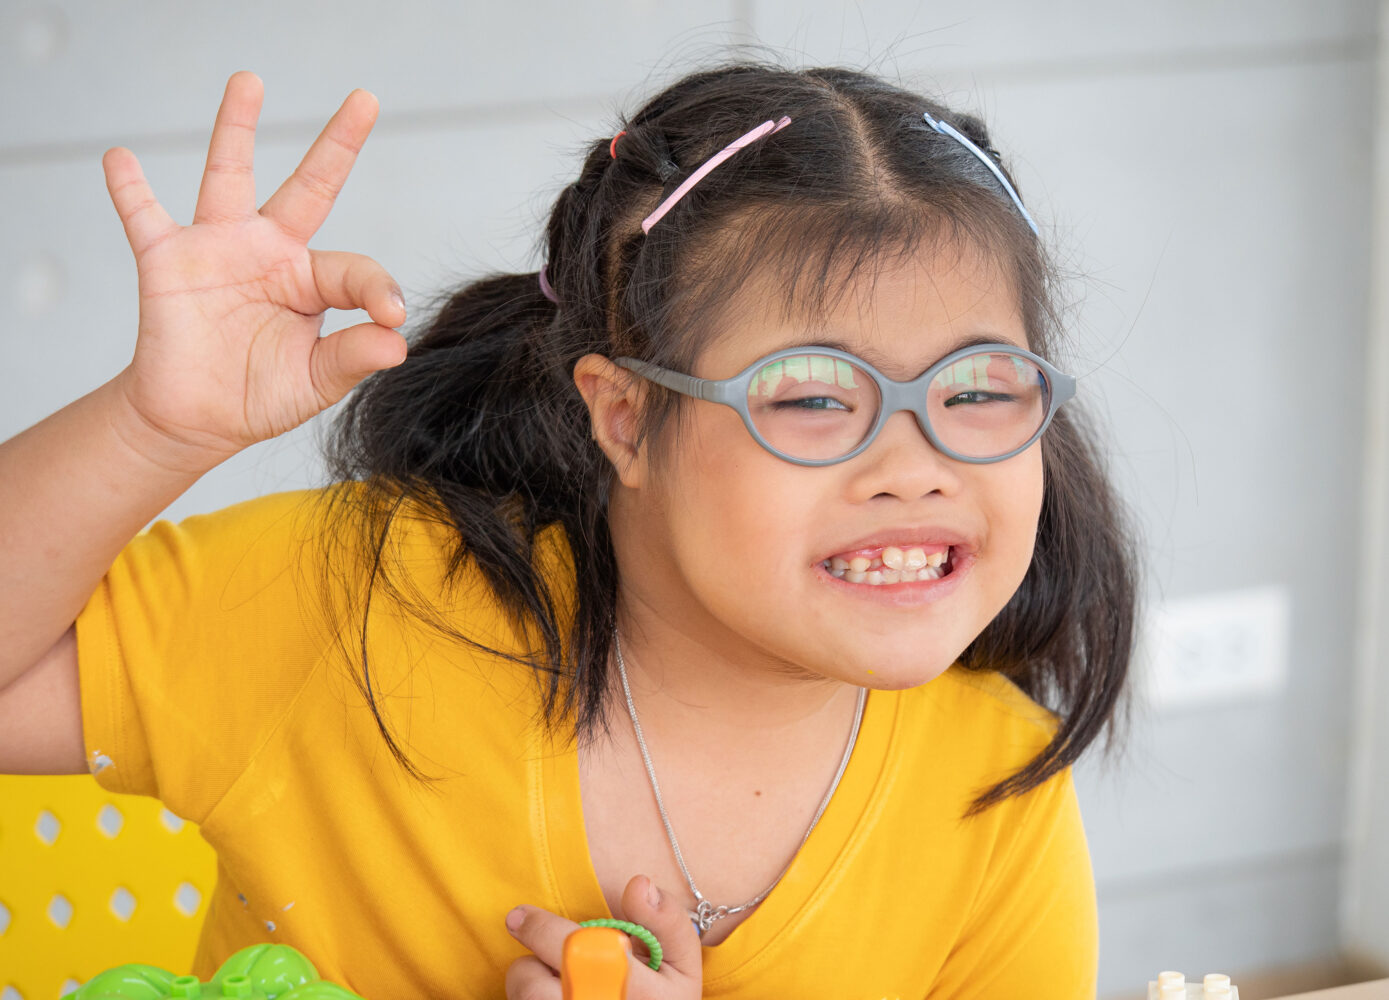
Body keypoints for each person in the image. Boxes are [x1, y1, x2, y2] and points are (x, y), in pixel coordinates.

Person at [0, 62, 1136, 999]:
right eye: (814, 396)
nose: (916, 469)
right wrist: (152, 428)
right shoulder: (359, 604)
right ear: (627, 417)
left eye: (980, 390)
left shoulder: (998, 789)